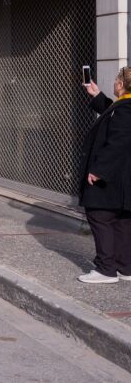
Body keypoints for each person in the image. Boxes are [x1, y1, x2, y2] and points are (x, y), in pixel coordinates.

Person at [77, 67, 131, 284]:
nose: (114, 83)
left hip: (113, 176)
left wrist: (99, 170)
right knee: (122, 220)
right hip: (122, 177)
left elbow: (118, 141)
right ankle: (125, 267)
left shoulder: (126, 109)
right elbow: (114, 116)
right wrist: (97, 95)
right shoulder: (124, 106)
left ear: (121, 84)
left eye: (116, 80)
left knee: (99, 215)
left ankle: (106, 269)